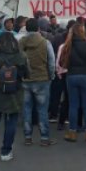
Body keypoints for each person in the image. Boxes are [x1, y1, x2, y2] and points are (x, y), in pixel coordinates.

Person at [0, 32, 29, 162]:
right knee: (11, 124)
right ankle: (6, 152)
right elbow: (27, 74)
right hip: (15, 94)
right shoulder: (21, 56)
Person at [58, 23, 86, 143]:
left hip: (71, 76)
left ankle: (72, 132)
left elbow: (61, 63)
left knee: (73, 105)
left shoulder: (68, 45)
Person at [19, 18, 56, 146]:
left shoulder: (21, 42)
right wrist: (51, 76)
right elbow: (51, 62)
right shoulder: (45, 42)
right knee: (42, 110)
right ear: (38, 28)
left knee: (27, 109)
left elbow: (17, 60)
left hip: (25, 80)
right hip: (42, 79)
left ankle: (28, 137)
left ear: (26, 28)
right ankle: (44, 138)